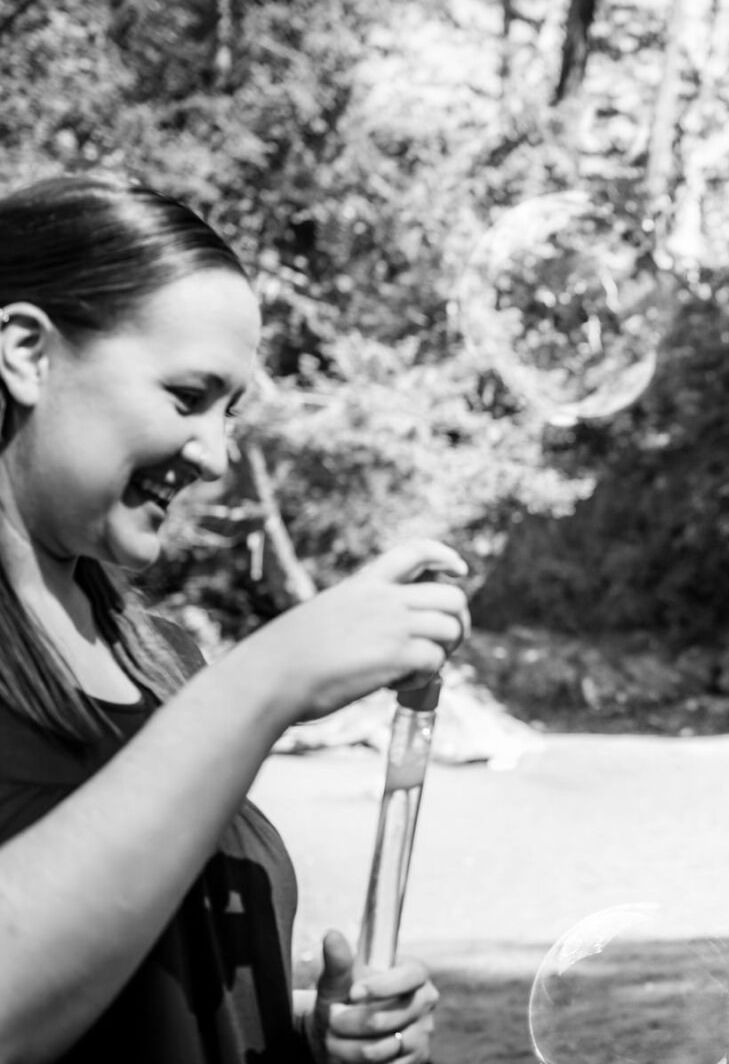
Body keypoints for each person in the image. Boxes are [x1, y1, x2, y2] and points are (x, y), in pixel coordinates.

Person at [0, 173, 469, 1064]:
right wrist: (270, 679)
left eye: (231, 411)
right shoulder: (228, 692)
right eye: (187, 396)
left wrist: (302, 1036)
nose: (216, 456)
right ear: (27, 352)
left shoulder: (163, 658)